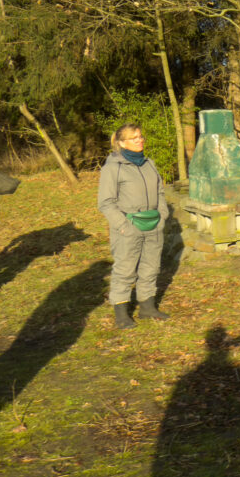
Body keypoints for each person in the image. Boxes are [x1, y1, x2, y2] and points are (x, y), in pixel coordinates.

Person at [98, 122, 170, 330]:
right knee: (125, 269)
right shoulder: (113, 168)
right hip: (128, 227)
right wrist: (123, 225)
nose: (140, 140)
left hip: (153, 224)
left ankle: (147, 307)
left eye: (140, 136)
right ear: (122, 143)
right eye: (134, 138)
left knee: (151, 267)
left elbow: (160, 192)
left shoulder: (149, 164)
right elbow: (106, 202)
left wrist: (162, 215)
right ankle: (121, 314)